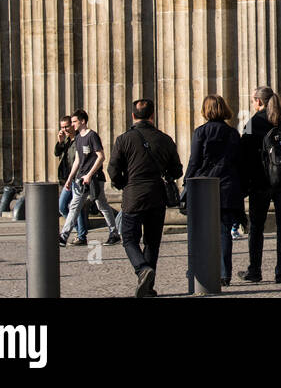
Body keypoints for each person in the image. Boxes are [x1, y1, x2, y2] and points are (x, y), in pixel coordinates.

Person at [108, 99, 183, 298]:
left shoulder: (124, 139)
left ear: (133, 116)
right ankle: (148, 288)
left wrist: (123, 182)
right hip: (157, 196)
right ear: (152, 116)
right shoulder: (165, 139)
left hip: (133, 195)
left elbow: (113, 170)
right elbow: (177, 169)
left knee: (129, 238)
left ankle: (142, 270)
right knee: (152, 242)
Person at [239, 86, 281, 283]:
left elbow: (245, 157)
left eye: (252, 100)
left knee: (257, 227)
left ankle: (255, 270)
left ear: (258, 101)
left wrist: (245, 184)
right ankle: (280, 271)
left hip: (260, 183)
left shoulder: (252, 123)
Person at [183, 94, 244, 285]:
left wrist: (186, 182)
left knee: (203, 231)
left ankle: (203, 269)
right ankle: (225, 274)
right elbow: (238, 162)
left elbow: (194, 161)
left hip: (204, 186)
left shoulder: (200, 132)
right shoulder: (233, 133)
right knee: (224, 231)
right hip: (227, 186)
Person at [59, 109, 121, 247]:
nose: (72, 124)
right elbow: (78, 160)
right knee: (74, 206)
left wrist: (89, 174)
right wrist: (70, 178)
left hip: (94, 178)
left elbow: (101, 157)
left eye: (74, 121)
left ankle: (114, 233)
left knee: (102, 205)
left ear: (82, 121)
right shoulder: (79, 138)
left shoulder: (92, 136)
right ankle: (64, 235)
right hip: (81, 178)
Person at [55, 116, 76, 222]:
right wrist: (60, 142)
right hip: (66, 178)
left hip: (75, 178)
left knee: (64, 206)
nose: (64, 130)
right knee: (72, 208)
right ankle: (79, 231)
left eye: (66, 126)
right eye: (62, 127)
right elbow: (56, 153)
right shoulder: (66, 141)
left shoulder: (78, 140)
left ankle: (77, 229)